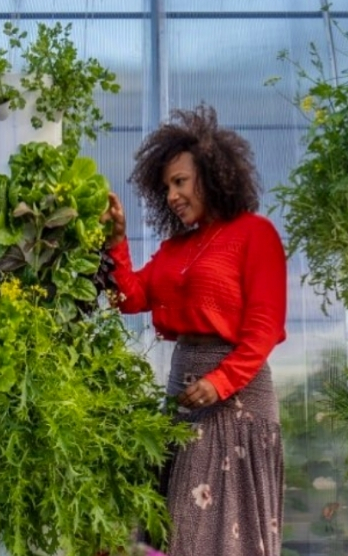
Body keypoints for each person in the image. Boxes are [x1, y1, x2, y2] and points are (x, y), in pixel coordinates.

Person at [101, 104, 286, 556]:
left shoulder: (254, 233)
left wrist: (220, 381)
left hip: (237, 397)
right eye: (165, 187)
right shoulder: (175, 248)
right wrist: (117, 241)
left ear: (212, 174)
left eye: (179, 182)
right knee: (176, 529)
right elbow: (129, 298)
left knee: (214, 533)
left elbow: (264, 328)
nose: (171, 195)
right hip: (184, 391)